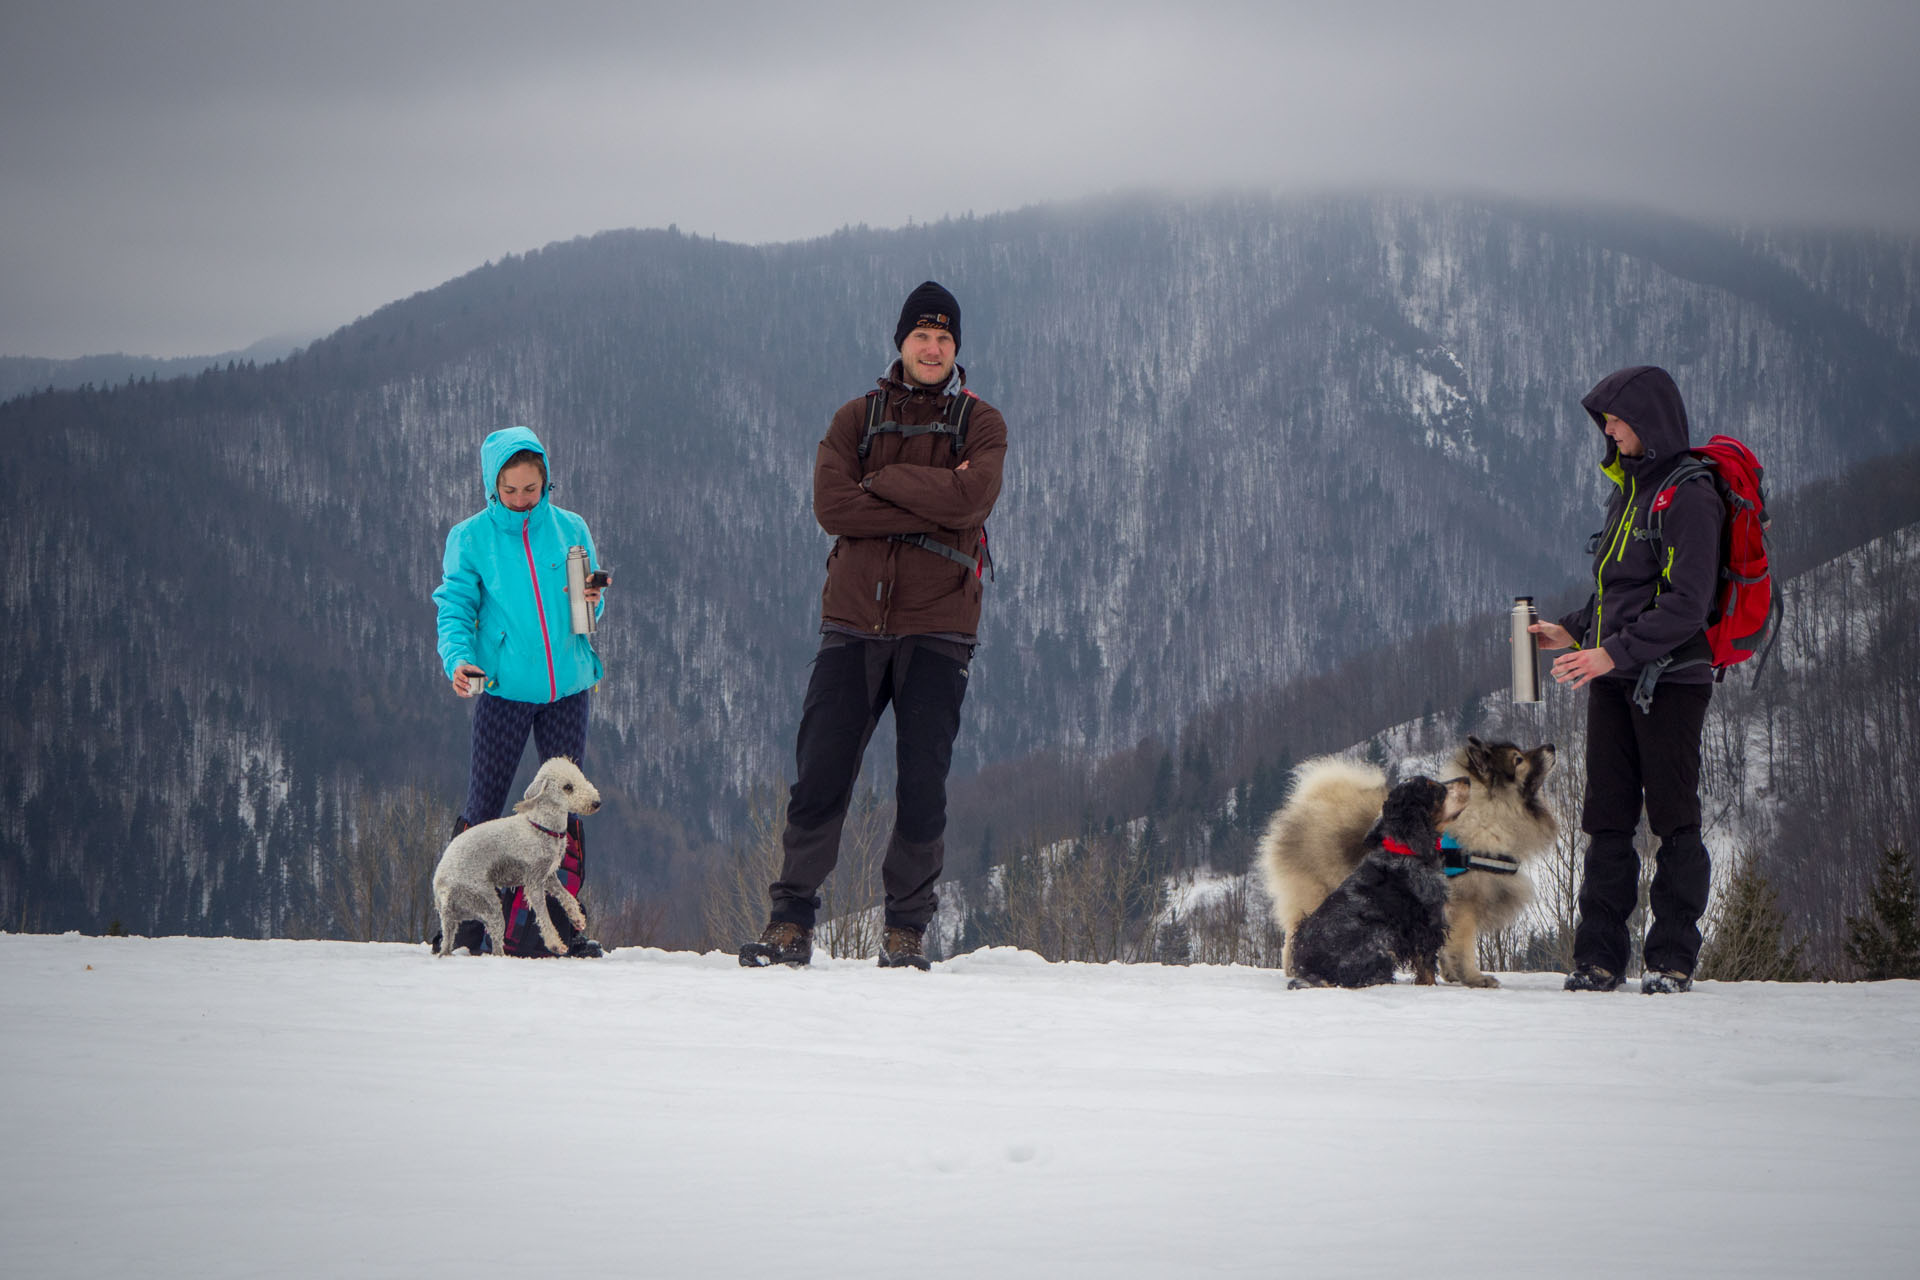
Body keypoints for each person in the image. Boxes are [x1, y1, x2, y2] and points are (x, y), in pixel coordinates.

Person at [740, 281, 1008, 970]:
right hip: (854, 623)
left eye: (945, 339)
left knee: (923, 783)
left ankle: (906, 932)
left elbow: (974, 497)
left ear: (957, 350)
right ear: (901, 342)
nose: (933, 347)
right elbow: (833, 508)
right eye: (922, 336)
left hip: (939, 627)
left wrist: (880, 483)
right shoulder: (854, 418)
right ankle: (790, 922)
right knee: (820, 775)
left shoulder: (982, 425)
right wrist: (933, 503)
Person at [1530, 366, 1723, 994]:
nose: (1608, 432)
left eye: (1616, 421)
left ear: (1650, 422)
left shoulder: (1689, 496)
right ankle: (1599, 959)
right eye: (1606, 424)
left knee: (1673, 818)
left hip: (1672, 680)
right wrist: (1573, 632)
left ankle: (1671, 960)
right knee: (1607, 816)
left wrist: (1610, 654)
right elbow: (1619, 591)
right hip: (1615, 676)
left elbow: (1687, 604)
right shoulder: (1633, 490)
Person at [432, 425, 608, 957]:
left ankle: (549, 930)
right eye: (509, 490)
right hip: (504, 689)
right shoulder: (471, 537)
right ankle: (463, 928)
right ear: (492, 485)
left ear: (546, 481)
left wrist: (592, 598)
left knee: (563, 812)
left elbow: (588, 608)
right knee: (485, 804)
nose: (520, 499)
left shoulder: (570, 527)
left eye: (530, 489)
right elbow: (456, 609)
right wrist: (458, 660)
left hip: (568, 688)